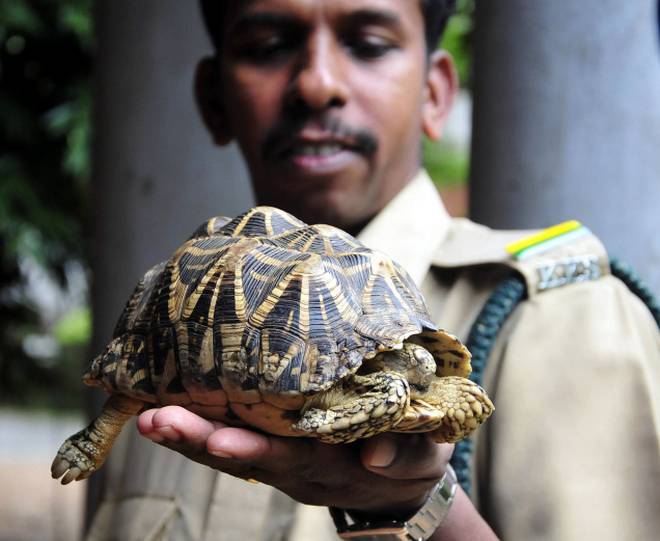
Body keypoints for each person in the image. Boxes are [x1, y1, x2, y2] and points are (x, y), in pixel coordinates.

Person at [86, 1, 660, 540]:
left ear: (435, 92)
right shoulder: (177, 328)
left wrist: (421, 505)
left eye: (368, 44)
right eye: (267, 45)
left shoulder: (563, 315)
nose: (318, 84)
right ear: (213, 99)